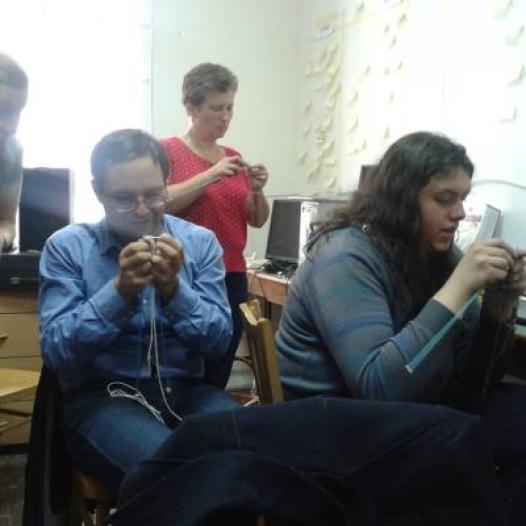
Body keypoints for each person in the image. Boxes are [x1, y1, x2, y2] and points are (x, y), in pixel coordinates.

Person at [277, 131, 526, 517]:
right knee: (467, 439)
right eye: (444, 198)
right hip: (331, 432)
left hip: (407, 414)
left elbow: (476, 384)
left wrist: (498, 309)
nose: (460, 212)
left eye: (462, 197)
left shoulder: (431, 253)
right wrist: (458, 288)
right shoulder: (344, 257)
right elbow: (380, 389)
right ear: (401, 199)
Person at [39, 129, 239, 492]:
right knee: (174, 473)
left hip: (188, 391)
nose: (143, 210)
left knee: (253, 458)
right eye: (124, 199)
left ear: (167, 183)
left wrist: (174, 291)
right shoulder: (68, 247)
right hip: (103, 398)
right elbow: (57, 352)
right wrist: (120, 292)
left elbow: (219, 344)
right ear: (98, 192)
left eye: (153, 194)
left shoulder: (200, 243)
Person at [161, 63, 270, 388]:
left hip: (231, 274)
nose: (225, 116)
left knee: (221, 359)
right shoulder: (167, 151)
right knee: (183, 364)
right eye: (216, 108)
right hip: (185, 273)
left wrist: (258, 190)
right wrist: (210, 174)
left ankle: (211, 415)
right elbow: (159, 203)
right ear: (191, 108)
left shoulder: (233, 156)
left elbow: (257, 219)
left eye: (229, 108)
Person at [0, 52, 28, 254]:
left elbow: (6, 222)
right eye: (3, 110)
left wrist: (1, 237)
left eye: (18, 112)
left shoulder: (12, 150)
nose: (13, 127)